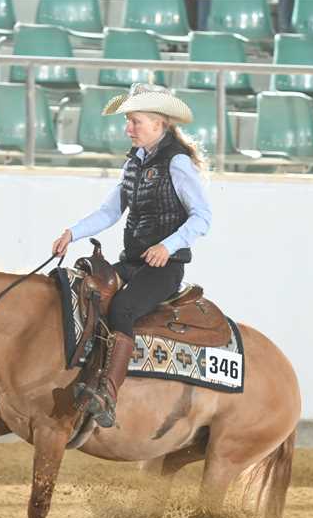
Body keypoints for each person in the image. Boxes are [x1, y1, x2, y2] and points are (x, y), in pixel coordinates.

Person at [51, 83, 213, 428]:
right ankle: (87, 373)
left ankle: (108, 393)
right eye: (128, 121)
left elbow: (202, 217)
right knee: (88, 291)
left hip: (165, 268)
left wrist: (168, 246)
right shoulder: (135, 164)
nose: (128, 129)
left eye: (135, 121)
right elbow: (109, 212)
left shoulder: (177, 163)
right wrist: (72, 233)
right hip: (133, 262)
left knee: (122, 307)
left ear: (158, 123)